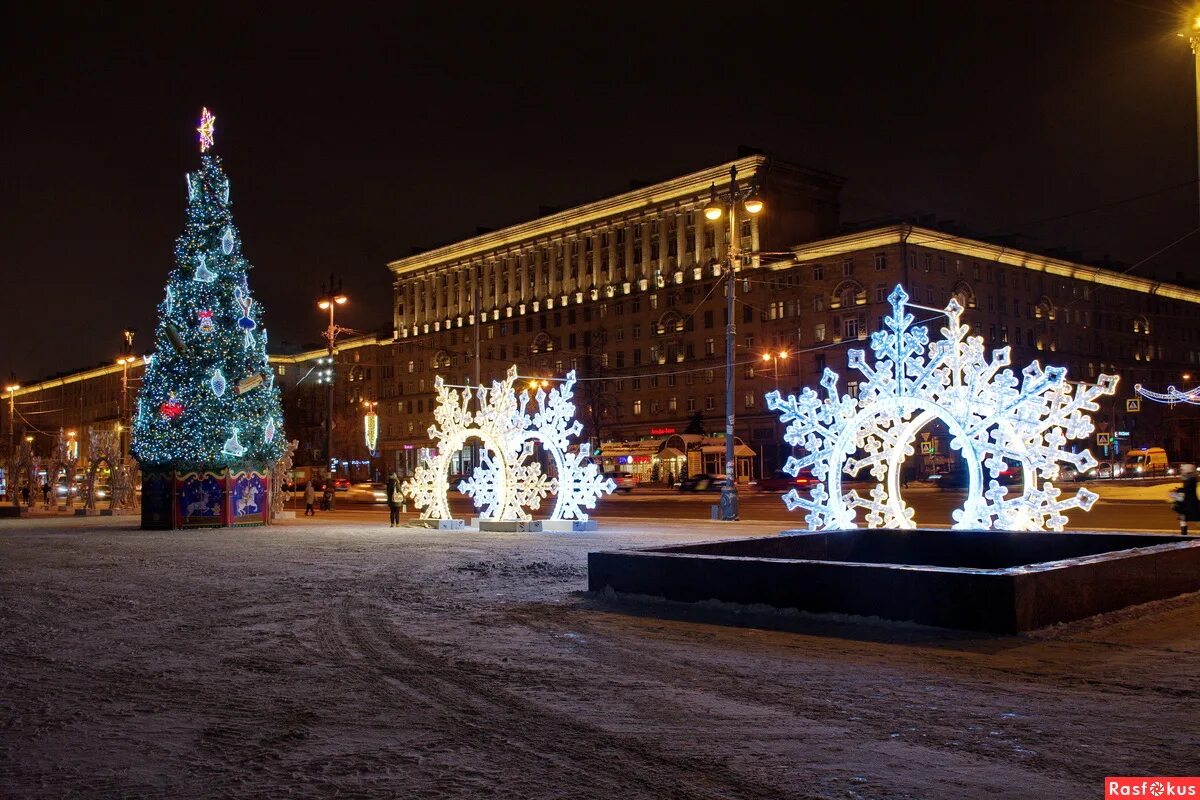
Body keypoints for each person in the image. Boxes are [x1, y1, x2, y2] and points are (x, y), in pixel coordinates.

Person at [1172, 463, 1200, 535]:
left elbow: (1187, 490)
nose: (1182, 472)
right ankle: (1183, 532)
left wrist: (1178, 491)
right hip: (1189, 501)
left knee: (1183, 515)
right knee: (1183, 516)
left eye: (1183, 471)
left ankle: (1184, 533)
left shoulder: (1190, 480)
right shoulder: (1191, 480)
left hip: (1189, 502)